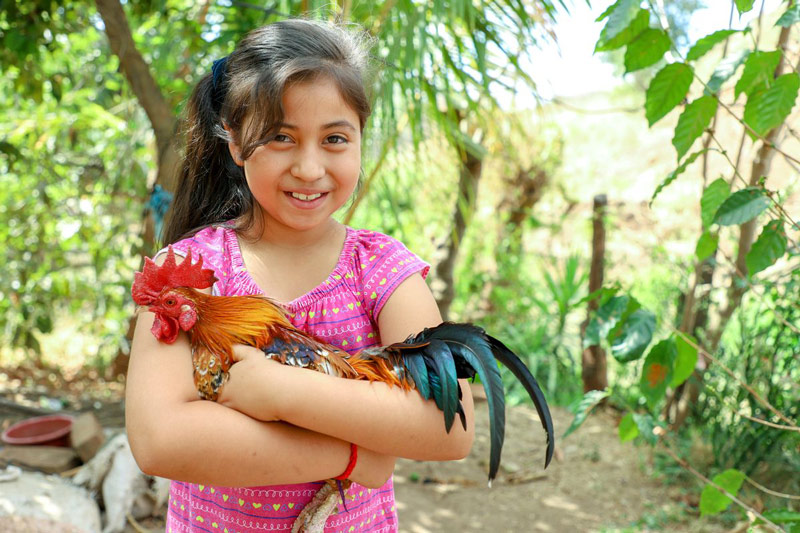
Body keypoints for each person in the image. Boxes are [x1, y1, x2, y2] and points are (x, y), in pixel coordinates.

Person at [126, 19, 475, 533]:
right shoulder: (193, 273)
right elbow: (160, 439)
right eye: (280, 137)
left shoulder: (380, 270)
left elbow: (450, 430)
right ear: (236, 144)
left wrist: (277, 391)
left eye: (335, 138)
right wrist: (354, 457)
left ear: (360, 140)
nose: (310, 168)